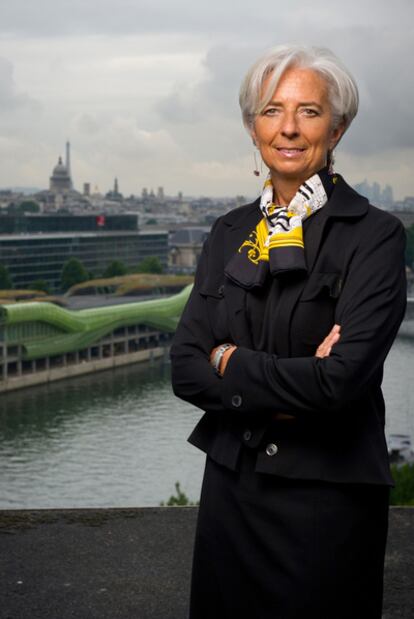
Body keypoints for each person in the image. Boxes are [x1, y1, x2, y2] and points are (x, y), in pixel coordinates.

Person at [170, 45, 407, 619]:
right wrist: (296, 379)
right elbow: (183, 366)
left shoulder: (374, 236)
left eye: (309, 111)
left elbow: (339, 383)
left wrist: (227, 359)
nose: (290, 129)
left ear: (339, 126)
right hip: (231, 496)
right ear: (254, 128)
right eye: (273, 111)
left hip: (326, 502)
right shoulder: (229, 231)